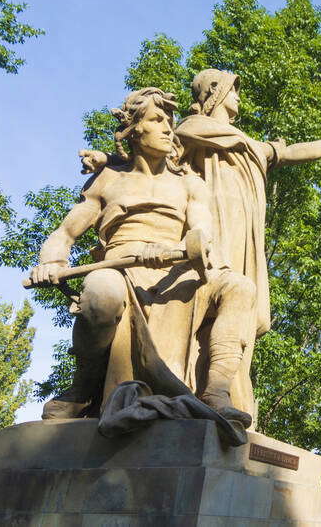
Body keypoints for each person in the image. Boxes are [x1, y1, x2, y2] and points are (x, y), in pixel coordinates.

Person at [80, 69, 321, 424]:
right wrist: (106, 159)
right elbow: (149, 160)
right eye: (233, 90)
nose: (238, 97)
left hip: (242, 235)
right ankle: (181, 383)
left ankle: (222, 389)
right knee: (196, 294)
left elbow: (287, 153)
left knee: (240, 298)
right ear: (216, 92)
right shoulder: (189, 130)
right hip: (200, 233)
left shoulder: (249, 144)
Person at [30, 87, 256, 426]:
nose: (168, 128)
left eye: (169, 121)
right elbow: (66, 233)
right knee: (101, 292)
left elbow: (202, 230)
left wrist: (184, 247)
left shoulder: (190, 183)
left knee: (240, 287)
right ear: (134, 130)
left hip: (177, 268)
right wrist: (52, 262)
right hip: (120, 267)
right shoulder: (107, 180)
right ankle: (83, 387)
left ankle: (216, 391)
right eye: (156, 120)